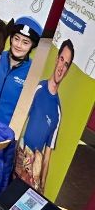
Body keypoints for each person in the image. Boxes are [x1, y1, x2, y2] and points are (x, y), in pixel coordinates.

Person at [15, 39, 73, 193]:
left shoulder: (58, 112)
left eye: (66, 64)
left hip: (33, 173)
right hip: (17, 161)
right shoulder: (37, 88)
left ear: (68, 70)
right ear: (56, 59)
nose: (62, 67)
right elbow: (18, 124)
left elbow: (47, 157)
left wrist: (42, 189)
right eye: (61, 59)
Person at [0, 17, 41, 125]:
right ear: (11, 39)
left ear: (32, 46)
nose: (19, 45)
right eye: (16, 39)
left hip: (5, 134)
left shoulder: (32, 72)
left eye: (25, 42)